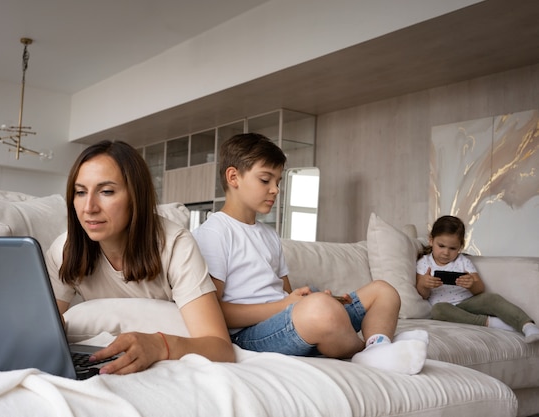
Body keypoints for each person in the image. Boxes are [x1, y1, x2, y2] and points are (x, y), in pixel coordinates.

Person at [192, 132, 428, 375]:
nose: (275, 190)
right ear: (233, 177)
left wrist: (307, 299)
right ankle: (372, 352)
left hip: (285, 319)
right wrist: (294, 305)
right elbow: (214, 311)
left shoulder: (269, 235)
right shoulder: (214, 233)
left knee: (383, 291)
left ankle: (378, 344)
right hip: (250, 334)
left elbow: (284, 293)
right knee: (321, 310)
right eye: (265, 180)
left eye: (278, 182)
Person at [46, 140, 235, 375]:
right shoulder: (65, 249)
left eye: (106, 191)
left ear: (136, 196)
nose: (89, 207)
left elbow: (221, 348)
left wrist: (160, 345)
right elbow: (47, 326)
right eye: (80, 192)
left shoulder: (175, 244)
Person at [416, 215, 539, 343]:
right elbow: (423, 295)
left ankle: (527, 326)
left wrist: (471, 284)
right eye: (441, 246)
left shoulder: (463, 261)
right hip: (446, 308)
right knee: (438, 310)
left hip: (468, 304)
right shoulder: (424, 263)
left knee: (492, 298)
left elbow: (480, 289)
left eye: (452, 248)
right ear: (431, 240)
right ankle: (490, 322)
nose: (446, 253)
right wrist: (424, 284)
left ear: (461, 246)